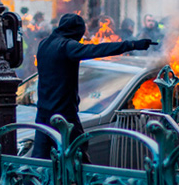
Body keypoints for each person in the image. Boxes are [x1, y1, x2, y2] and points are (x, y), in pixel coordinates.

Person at [32, 14, 152, 160]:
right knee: (78, 159)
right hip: (63, 115)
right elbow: (97, 50)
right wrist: (132, 45)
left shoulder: (44, 44)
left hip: (43, 114)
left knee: (39, 163)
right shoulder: (66, 47)